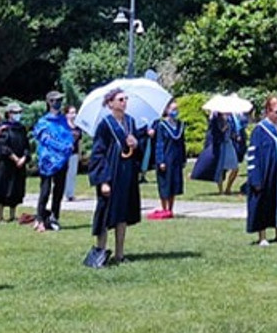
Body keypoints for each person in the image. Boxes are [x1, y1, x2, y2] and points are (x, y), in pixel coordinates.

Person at [87, 88, 142, 266]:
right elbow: (98, 154)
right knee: (105, 214)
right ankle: (100, 252)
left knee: (122, 214)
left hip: (127, 174)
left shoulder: (131, 123)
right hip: (110, 174)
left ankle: (120, 253)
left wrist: (136, 143)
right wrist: (103, 180)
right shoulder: (105, 125)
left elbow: (137, 151)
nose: (124, 102)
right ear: (110, 103)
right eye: (120, 99)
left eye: (125, 99)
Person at [246, 96, 277, 245]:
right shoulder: (260, 130)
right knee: (263, 203)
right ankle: (263, 236)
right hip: (266, 174)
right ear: (268, 111)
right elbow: (253, 156)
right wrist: (255, 178)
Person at [32, 91, 75, 231]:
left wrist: (69, 145)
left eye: (60, 100)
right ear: (49, 102)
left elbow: (68, 136)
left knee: (59, 190)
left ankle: (54, 217)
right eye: (56, 100)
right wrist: (60, 147)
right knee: (45, 190)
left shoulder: (63, 121)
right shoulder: (43, 122)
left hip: (63, 161)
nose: (58, 103)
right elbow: (44, 138)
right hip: (48, 161)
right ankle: (39, 218)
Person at [0, 103, 29, 224]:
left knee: (16, 189)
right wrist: (14, 158)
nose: (18, 115)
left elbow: (26, 145)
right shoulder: (4, 129)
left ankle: (13, 215)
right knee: (2, 188)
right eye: (15, 112)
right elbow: (3, 146)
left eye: (19, 112)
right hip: (6, 163)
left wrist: (23, 157)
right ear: (9, 114)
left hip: (19, 164)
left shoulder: (22, 128)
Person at [150, 99, 186, 221]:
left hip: (176, 158)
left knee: (174, 184)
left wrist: (183, 159)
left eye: (176, 109)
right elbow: (159, 144)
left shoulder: (180, 125)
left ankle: (171, 209)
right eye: (172, 109)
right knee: (165, 184)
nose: (175, 112)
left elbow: (182, 143)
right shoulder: (161, 126)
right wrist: (160, 161)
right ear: (166, 110)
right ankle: (164, 208)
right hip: (166, 158)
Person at [191, 112, 239, 195]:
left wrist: (235, 135)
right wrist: (224, 128)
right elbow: (215, 132)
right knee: (220, 168)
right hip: (219, 145)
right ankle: (221, 190)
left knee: (235, 168)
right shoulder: (215, 118)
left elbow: (232, 131)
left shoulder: (230, 118)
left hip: (229, 143)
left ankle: (228, 188)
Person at [65, 105, 81, 201]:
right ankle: (63, 193)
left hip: (74, 153)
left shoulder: (78, 127)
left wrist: (79, 153)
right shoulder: (64, 126)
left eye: (74, 112)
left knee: (72, 174)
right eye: (71, 113)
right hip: (64, 154)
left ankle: (70, 194)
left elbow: (79, 141)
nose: (73, 115)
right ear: (66, 114)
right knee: (64, 174)